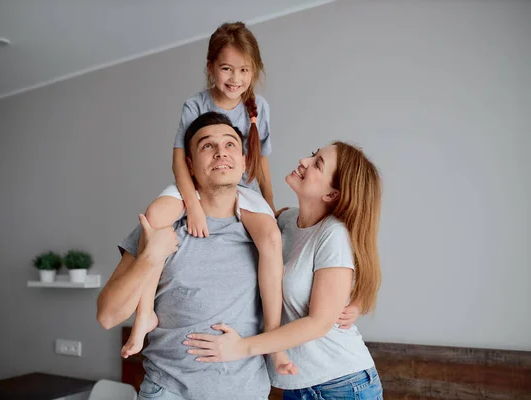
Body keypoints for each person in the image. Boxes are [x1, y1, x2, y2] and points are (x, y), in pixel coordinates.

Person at [122, 21, 292, 373]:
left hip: (238, 189)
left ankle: (274, 339)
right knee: (155, 218)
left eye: (244, 70)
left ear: (254, 71)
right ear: (211, 67)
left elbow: (260, 161)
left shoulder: (258, 106)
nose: (235, 78)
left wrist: (270, 203)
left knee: (272, 238)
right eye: (227, 68)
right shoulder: (195, 104)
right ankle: (144, 315)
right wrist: (193, 205)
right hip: (194, 184)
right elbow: (178, 161)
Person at [183, 142, 384, 399]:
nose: (304, 160)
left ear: (332, 194)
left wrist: (242, 348)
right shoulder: (285, 221)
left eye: (317, 164)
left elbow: (319, 324)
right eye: (313, 154)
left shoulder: (333, 235)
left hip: (342, 385)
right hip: (297, 385)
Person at [97, 112, 275, 399]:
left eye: (230, 145)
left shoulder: (266, 234)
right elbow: (107, 316)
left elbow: (315, 273)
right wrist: (150, 256)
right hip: (167, 391)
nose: (220, 153)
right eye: (207, 146)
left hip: (246, 392)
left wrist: (353, 303)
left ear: (243, 161)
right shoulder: (160, 227)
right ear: (189, 166)